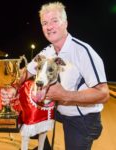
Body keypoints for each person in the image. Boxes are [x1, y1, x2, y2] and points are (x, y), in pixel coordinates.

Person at [25, 2, 109, 150]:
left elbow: (103, 94)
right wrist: (11, 84)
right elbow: (26, 72)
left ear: (65, 23)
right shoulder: (47, 51)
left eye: (54, 21)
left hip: (83, 119)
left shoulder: (82, 51)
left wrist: (64, 95)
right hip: (59, 110)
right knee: (23, 109)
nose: (49, 26)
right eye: (45, 23)